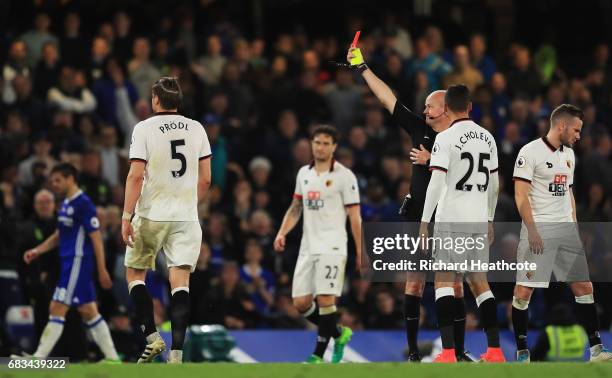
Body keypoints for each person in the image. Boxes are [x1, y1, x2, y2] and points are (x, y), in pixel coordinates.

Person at [347, 45, 472, 362]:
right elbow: (387, 98)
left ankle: (457, 352)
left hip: (450, 216)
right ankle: (414, 353)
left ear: (445, 109)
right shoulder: (419, 128)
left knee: (455, 287)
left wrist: (434, 160)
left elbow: (471, 174)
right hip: (417, 215)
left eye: (430, 107)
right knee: (414, 284)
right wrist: (362, 67)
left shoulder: (461, 137)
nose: (425, 111)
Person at [121, 77, 212, 363]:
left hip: (151, 215)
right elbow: (207, 179)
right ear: (179, 101)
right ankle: (177, 354)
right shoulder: (197, 129)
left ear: (155, 100)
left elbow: (136, 175)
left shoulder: (144, 128)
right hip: (186, 218)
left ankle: (152, 336)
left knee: (135, 275)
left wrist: (126, 215)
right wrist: (186, 202)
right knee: (180, 283)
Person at [511, 104, 612, 362]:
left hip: (565, 230)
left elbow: (568, 193)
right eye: (576, 129)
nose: (579, 135)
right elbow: (520, 196)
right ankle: (522, 351)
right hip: (539, 230)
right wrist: (532, 230)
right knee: (523, 292)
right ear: (562, 126)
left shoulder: (569, 155)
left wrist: (575, 227)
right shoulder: (529, 152)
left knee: (584, 287)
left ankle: (597, 350)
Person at [419, 85, 504, 363]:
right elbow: (494, 184)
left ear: (447, 108)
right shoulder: (488, 138)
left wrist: (423, 220)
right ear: (469, 107)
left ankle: (447, 353)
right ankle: (494, 350)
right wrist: (490, 217)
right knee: (480, 284)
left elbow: (436, 182)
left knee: (444, 282)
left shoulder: (445, 137)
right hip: (478, 218)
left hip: (452, 218)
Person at [273, 125, 362, 363]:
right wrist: (282, 232)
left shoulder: (345, 176)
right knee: (301, 303)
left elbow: (355, 216)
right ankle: (338, 333)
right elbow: (296, 207)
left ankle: (318, 355)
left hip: (333, 246)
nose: (320, 147)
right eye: (317, 142)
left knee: (325, 299)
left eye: (325, 143)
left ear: (334, 147)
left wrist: (361, 250)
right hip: (307, 246)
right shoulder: (304, 173)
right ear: (312, 144)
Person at [15, 163, 119, 362]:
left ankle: (38, 358)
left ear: (70, 179)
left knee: (56, 307)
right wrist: (37, 250)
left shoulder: (84, 204)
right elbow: (59, 235)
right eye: (52, 180)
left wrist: (102, 269)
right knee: (89, 311)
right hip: (69, 263)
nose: (54, 184)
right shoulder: (65, 204)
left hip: (77, 262)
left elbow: (96, 238)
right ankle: (114, 359)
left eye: (58, 180)